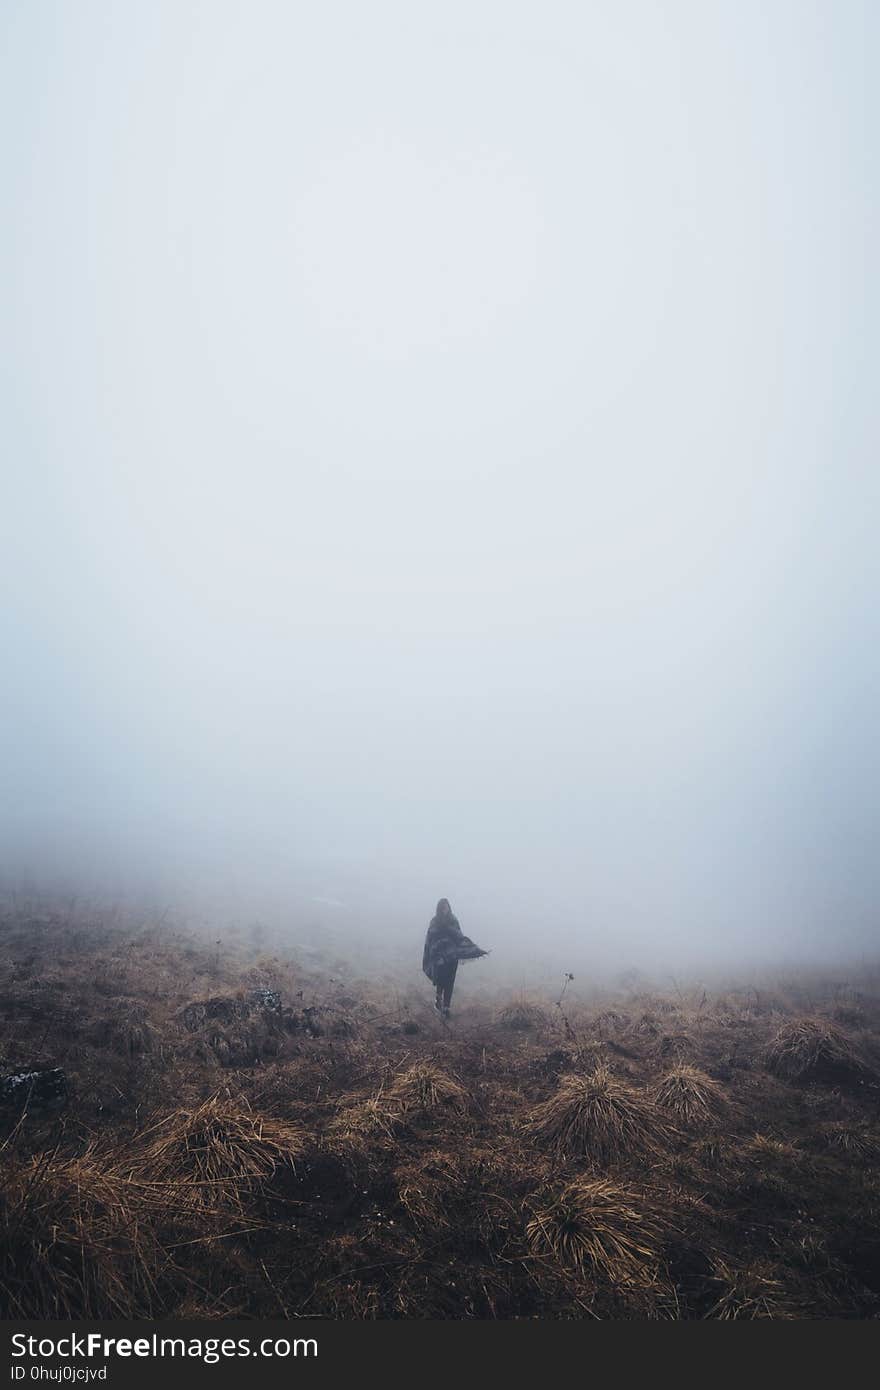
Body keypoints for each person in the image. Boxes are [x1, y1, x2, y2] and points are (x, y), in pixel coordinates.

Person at [422, 898, 487, 1018]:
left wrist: (473, 949)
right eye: (442, 908)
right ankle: (438, 999)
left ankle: (446, 1007)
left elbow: (459, 936)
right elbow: (430, 937)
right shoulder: (434, 921)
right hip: (439, 957)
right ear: (439, 909)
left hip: (452, 956)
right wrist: (435, 949)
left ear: (449, 908)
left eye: (446, 907)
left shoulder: (453, 920)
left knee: (450, 981)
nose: (444, 910)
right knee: (441, 979)